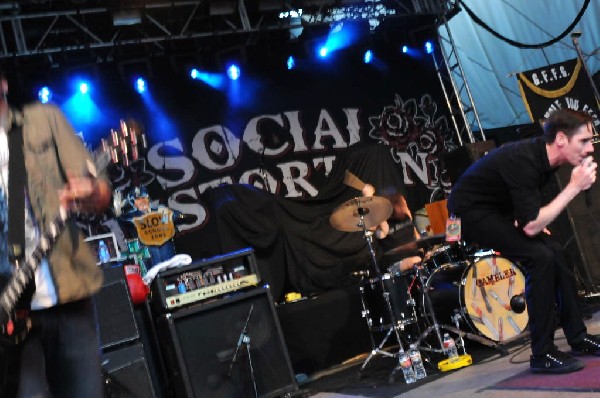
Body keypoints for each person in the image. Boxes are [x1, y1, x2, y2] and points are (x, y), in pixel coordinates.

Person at [447, 108, 599, 374]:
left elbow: (523, 206)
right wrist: (574, 187)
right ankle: (542, 354)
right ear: (561, 139)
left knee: (554, 251)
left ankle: (578, 337)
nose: (590, 149)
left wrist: (530, 220)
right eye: (584, 141)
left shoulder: (546, 158)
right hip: (467, 213)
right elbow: (530, 226)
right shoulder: (525, 159)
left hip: (495, 206)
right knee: (539, 257)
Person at [0, 69, 112, 396]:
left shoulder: (43, 120)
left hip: (68, 294)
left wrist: (92, 192)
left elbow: (99, 191)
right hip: (11, 310)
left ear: (4, 82)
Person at [361, 184, 421, 273]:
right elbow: (372, 225)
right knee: (414, 261)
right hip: (394, 266)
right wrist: (368, 198)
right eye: (402, 202)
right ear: (394, 205)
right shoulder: (384, 223)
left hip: (415, 260)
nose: (405, 204)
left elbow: (418, 238)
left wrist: (425, 251)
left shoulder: (407, 216)